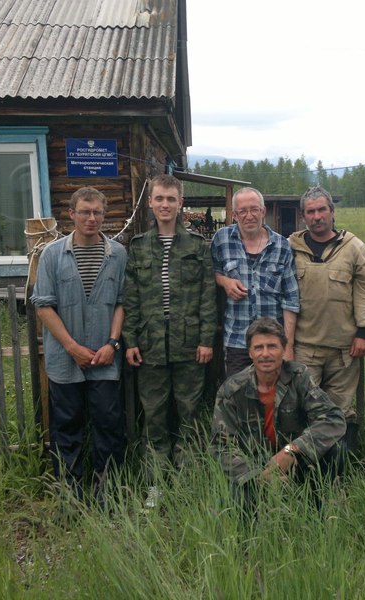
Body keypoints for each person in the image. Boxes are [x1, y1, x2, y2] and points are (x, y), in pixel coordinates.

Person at [122, 174, 216, 507]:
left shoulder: (198, 247)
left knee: (189, 415)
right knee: (155, 418)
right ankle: (156, 485)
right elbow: (130, 298)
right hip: (150, 348)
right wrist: (130, 340)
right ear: (150, 202)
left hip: (190, 346)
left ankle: (188, 483)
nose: (165, 205)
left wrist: (206, 339)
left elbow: (207, 297)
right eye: (159, 198)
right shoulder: (138, 247)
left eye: (171, 199)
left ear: (181, 203)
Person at [30, 186, 127, 503]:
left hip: (105, 359)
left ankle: (107, 495)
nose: (91, 218)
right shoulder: (52, 255)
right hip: (65, 360)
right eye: (85, 211)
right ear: (71, 214)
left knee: (108, 427)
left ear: (104, 214)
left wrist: (112, 343)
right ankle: (69, 497)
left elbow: (121, 303)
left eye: (97, 212)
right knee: (67, 428)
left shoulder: (117, 254)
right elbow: (43, 305)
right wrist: (72, 347)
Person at [210, 317, 346, 509]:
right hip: (254, 468)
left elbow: (333, 419)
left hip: (295, 460)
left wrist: (292, 450)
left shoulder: (299, 377)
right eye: (259, 347)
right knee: (236, 503)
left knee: (336, 448)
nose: (265, 354)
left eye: (272, 346)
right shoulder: (231, 390)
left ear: (284, 349)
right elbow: (221, 446)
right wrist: (258, 477)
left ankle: (317, 507)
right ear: (250, 352)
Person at [289, 186, 365, 452]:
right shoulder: (291, 247)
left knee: (341, 409)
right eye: (310, 211)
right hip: (306, 346)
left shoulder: (353, 247)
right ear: (303, 216)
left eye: (322, 210)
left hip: (344, 349)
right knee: (306, 407)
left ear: (332, 211)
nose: (317, 216)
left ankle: (339, 468)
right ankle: (308, 469)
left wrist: (364, 332)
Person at [211, 187, 300, 377]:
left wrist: (288, 346)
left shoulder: (282, 246)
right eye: (242, 211)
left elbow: (290, 300)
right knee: (238, 399)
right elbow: (212, 272)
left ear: (263, 212)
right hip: (237, 340)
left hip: (272, 343)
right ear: (234, 215)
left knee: (273, 400)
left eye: (254, 209)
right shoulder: (221, 240)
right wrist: (224, 281)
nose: (249, 216)